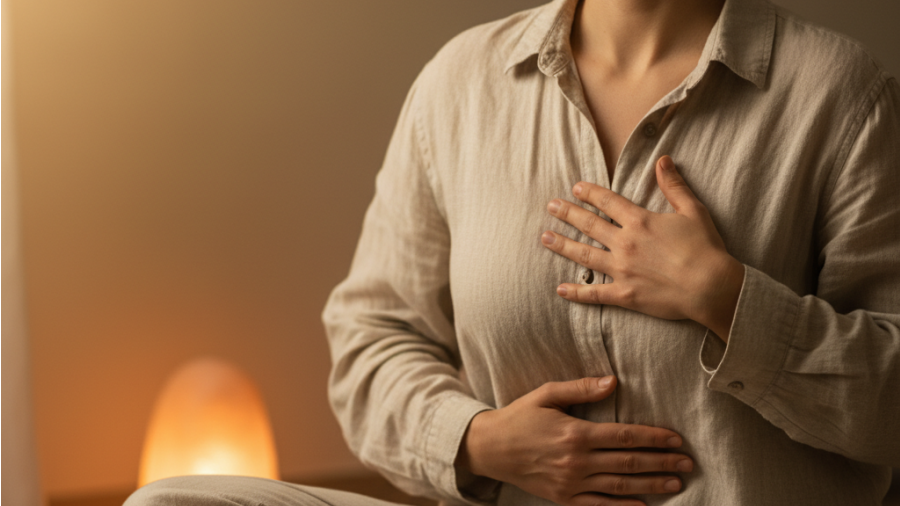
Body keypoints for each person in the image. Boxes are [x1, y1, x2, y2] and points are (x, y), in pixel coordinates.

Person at [127, 0, 899, 504]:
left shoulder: (839, 95)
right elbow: (368, 344)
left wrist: (726, 300)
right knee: (171, 502)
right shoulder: (459, 85)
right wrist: (478, 440)